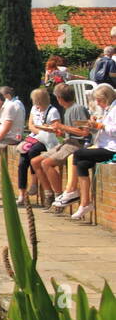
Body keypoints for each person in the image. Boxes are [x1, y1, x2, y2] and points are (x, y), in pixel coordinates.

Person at [39, 83, 90, 212]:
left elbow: (84, 132)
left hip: (76, 144)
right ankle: (50, 194)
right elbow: (71, 131)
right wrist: (60, 131)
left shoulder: (78, 109)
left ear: (59, 98)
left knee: (46, 163)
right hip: (67, 142)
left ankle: (59, 197)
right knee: (36, 161)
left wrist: (62, 127)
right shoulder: (67, 110)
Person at [69, 84, 116, 221]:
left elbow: (113, 130)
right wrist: (94, 123)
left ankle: (72, 190)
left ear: (107, 98)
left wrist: (100, 125)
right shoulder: (108, 109)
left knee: (78, 154)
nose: (98, 104)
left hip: (111, 148)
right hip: (103, 145)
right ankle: (85, 203)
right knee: (82, 164)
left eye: (100, 100)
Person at [20, 87, 62, 205]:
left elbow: (56, 129)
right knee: (23, 158)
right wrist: (40, 133)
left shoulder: (52, 111)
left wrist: (42, 132)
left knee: (33, 152)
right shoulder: (34, 108)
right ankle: (27, 188)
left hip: (47, 140)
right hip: (36, 137)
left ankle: (36, 183)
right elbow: (31, 125)